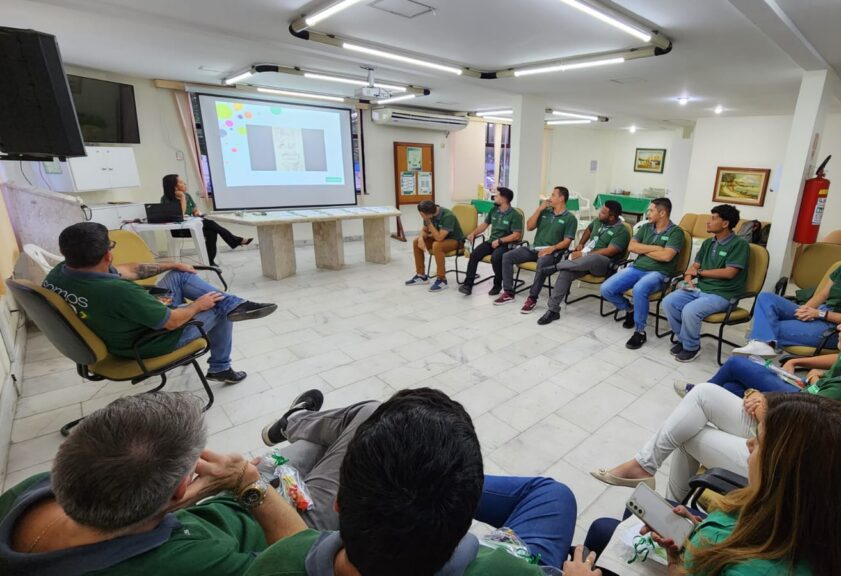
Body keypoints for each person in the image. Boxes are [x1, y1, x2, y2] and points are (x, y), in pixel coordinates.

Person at [591, 286, 841, 500]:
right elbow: (814, 412)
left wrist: (766, 406)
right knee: (703, 395)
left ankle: (671, 508)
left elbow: (797, 427)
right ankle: (649, 472)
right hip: (816, 451)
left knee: (692, 432)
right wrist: (774, 401)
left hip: (798, 474)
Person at [245, 387, 578, 576]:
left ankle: (296, 421)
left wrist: (248, 484)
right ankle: (444, 488)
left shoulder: (278, 562)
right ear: (464, 526)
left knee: (362, 420)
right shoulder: (509, 571)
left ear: (338, 502)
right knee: (553, 493)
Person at [584, 393, 841, 576]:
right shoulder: (811, 528)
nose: (749, 445)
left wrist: (677, 565)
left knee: (601, 530)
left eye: (760, 441)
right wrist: (698, 528)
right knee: (612, 527)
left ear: (793, 481)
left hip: (696, 562)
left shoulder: (753, 572)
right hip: (710, 544)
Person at [0, 393, 308, 575]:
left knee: (311, 447)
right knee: (348, 429)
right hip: (285, 520)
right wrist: (248, 484)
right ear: (178, 488)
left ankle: (302, 421)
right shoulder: (186, 563)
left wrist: (179, 499)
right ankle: (305, 420)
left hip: (218, 509)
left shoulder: (29, 490)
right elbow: (304, 558)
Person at [42, 222, 276, 383]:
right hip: (147, 343)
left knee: (181, 276)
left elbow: (129, 270)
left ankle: (234, 304)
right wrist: (197, 305)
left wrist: (172, 265)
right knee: (218, 306)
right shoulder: (117, 291)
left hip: (117, 325)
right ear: (107, 256)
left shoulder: (59, 273)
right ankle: (220, 366)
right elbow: (172, 323)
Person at [686, 273, 841, 398]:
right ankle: (705, 395)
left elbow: (818, 405)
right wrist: (797, 361)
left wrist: (816, 381)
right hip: (815, 389)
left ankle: (700, 395)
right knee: (765, 303)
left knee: (738, 364)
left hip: (807, 403)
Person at [732, 235, 841, 357]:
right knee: (766, 298)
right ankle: (764, 345)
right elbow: (821, 295)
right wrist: (805, 310)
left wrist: (821, 315)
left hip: (836, 328)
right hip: (819, 313)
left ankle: (764, 344)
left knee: (768, 328)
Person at [662, 204, 749, 362]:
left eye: (713, 218)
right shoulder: (708, 243)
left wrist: (699, 273)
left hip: (723, 294)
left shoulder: (739, 244)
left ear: (725, 223)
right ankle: (684, 339)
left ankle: (691, 347)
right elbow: (695, 267)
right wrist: (688, 278)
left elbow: (730, 272)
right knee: (669, 301)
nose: (708, 222)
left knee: (690, 310)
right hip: (700, 289)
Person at [600, 198, 685, 350]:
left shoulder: (676, 232)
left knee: (640, 289)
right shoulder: (646, 227)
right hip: (637, 268)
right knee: (606, 289)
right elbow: (632, 247)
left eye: (651, 210)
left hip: (659, 273)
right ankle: (630, 309)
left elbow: (667, 257)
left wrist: (645, 249)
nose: (648, 213)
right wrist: (657, 248)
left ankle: (640, 331)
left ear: (662, 213)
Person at [537, 200, 630, 325]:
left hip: (604, 264)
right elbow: (588, 229)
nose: (599, 214)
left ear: (612, 217)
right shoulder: (599, 221)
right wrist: (581, 243)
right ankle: (553, 310)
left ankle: (555, 267)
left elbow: (609, 251)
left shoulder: (622, 231)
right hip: (584, 261)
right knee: (566, 271)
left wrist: (583, 254)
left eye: (602, 212)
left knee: (593, 258)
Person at [494, 186, 578, 312]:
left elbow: (567, 242)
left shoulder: (570, 218)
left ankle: (532, 298)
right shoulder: (545, 212)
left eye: (553, 195)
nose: (550, 197)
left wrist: (551, 249)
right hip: (534, 248)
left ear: (561, 198)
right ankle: (508, 293)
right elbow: (529, 227)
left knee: (542, 263)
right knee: (507, 256)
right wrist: (539, 209)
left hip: (553, 253)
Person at [161, 174, 251, 266]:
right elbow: (180, 215)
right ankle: (236, 240)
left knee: (211, 232)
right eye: (180, 182)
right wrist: (182, 198)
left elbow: (194, 209)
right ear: (174, 186)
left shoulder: (187, 195)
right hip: (180, 230)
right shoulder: (166, 199)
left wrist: (196, 212)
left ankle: (209, 261)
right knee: (211, 224)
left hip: (193, 226)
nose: (184, 183)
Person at [459, 187, 524, 296]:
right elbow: (484, 226)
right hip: (491, 241)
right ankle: (468, 285)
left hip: (506, 244)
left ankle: (497, 285)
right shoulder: (494, 210)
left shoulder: (515, 215)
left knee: (496, 257)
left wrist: (500, 241)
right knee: (474, 255)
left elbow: (516, 235)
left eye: (497, 195)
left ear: (504, 199)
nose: (494, 197)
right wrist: (473, 233)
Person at [405, 200, 466, 292]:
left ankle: (442, 280)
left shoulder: (448, 216)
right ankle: (421, 276)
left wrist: (428, 222)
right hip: (440, 238)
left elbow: (439, 238)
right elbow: (425, 230)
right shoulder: (428, 215)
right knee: (416, 241)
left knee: (437, 245)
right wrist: (421, 238)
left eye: (422, 214)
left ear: (429, 213)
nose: (422, 216)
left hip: (456, 241)